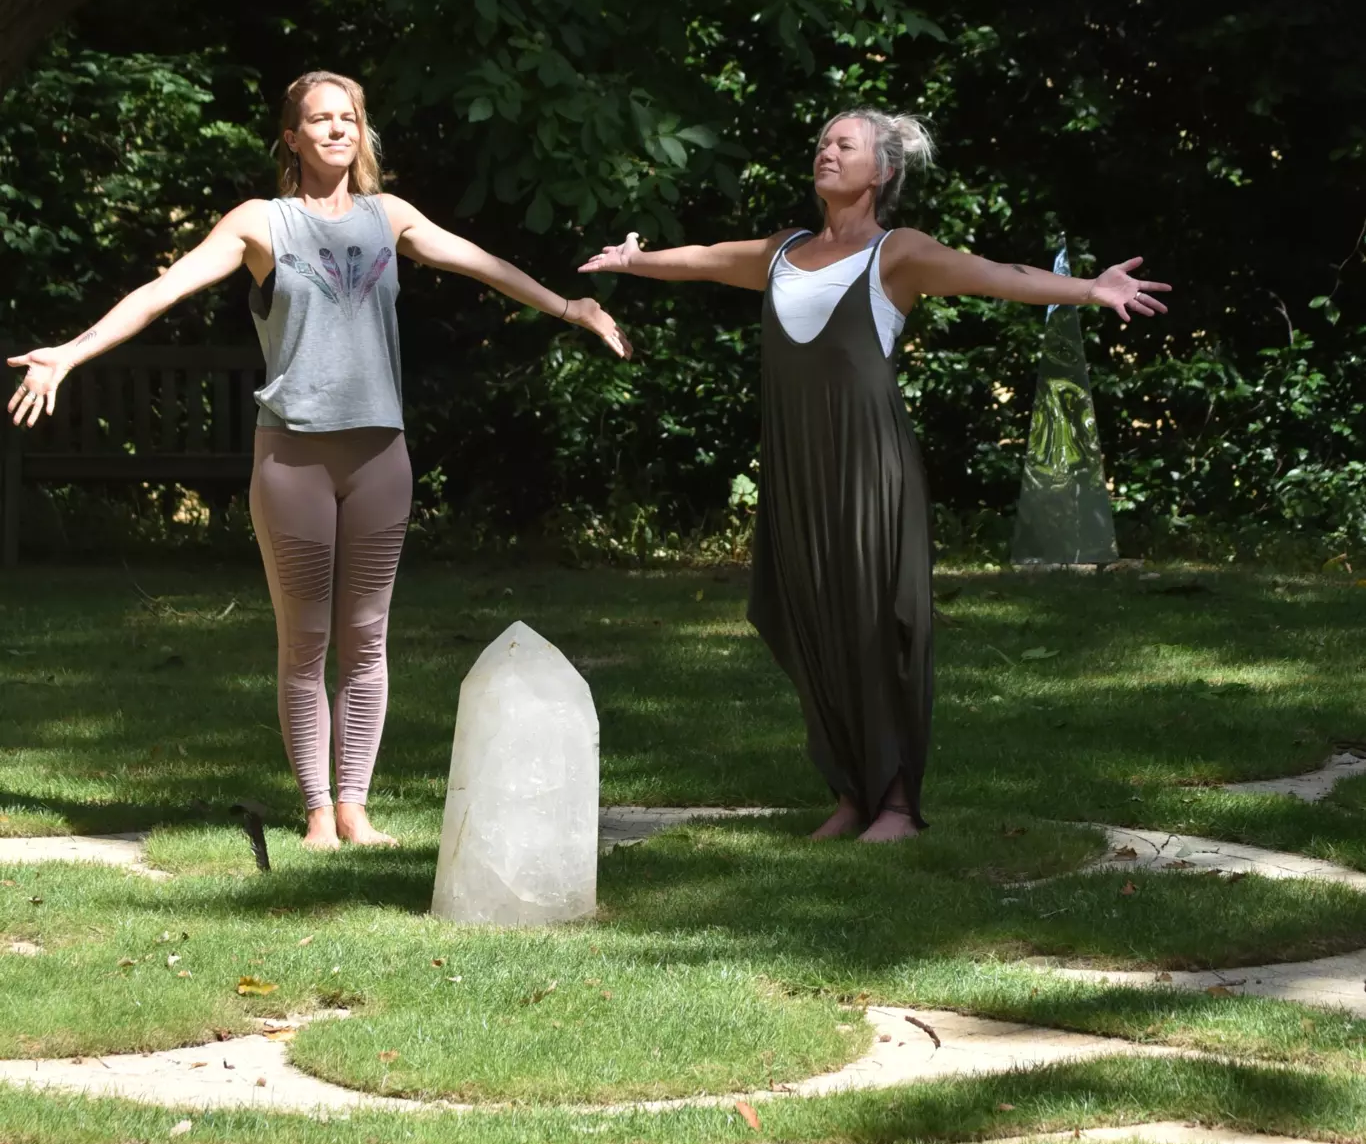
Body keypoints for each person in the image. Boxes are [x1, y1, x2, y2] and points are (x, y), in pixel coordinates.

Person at [8, 70, 629, 851]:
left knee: (366, 641)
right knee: (304, 644)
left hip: (380, 458)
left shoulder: (388, 216)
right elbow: (162, 291)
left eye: (349, 118)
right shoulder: (261, 224)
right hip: (292, 460)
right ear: (292, 136)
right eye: (320, 119)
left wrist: (570, 307)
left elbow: (479, 261)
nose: (337, 129)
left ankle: (355, 811)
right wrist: (70, 353)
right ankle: (316, 812)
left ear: (361, 133)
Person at [581, 106, 1168, 843]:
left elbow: (996, 276)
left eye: (844, 144)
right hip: (797, 466)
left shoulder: (898, 253)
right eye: (822, 141)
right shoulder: (782, 251)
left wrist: (1089, 289)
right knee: (810, 615)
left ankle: (895, 804)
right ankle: (850, 794)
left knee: (873, 622)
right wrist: (635, 261)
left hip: (868, 466)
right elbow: (706, 257)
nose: (826, 151)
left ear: (881, 171)